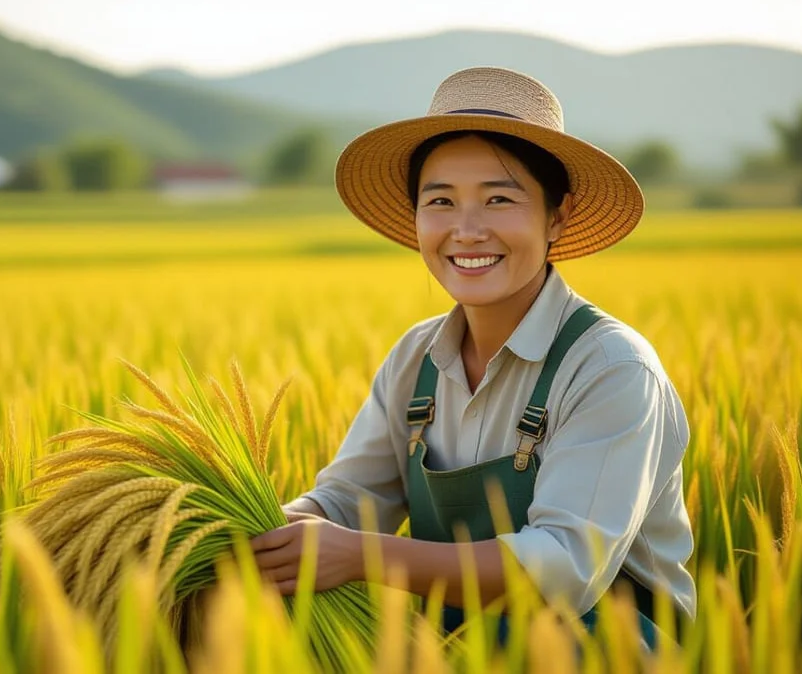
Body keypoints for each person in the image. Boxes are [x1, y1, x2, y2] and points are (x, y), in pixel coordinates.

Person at [249, 67, 696, 646]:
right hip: (454, 641)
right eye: (440, 201)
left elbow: (564, 568)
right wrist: (253, 528)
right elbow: (347, 501)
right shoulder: (416, 358)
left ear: (555, 217)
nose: (466, 229)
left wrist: (361, 556)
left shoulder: (610, 367)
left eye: (498, 199)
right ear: (416, 219)